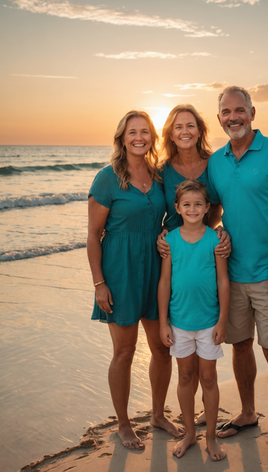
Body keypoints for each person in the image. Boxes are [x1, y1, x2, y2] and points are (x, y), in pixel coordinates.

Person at [208, 86, 268, 462]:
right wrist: (190, 236)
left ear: (252, 112)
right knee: (240, 346)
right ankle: (248, 413)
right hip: (231, 275)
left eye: (239, 110)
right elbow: (214, 211)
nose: (233, 117)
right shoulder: (216, 162)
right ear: (219, 118)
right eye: (226, 112)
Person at [87, 110, 184, 450]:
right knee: (124, 352)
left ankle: (157, 415)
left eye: (145, 131)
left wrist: (168, 235)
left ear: (152, 137)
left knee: (162, 347)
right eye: (132, 132)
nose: (139, 137)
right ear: (122, 138)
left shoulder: (159, 178)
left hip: (155, 270)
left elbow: (177, 216)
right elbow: (93, 235)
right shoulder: (106, 178)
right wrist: (100, 284)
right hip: (120, 272)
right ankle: (124, 425)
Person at [159, 104, 231, 426]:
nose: (185, 131)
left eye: (190, 125)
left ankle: (211, 424)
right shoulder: (163, 170)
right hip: (173, 251)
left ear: (200, 130)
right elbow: (156, 208)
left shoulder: (213, 164)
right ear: (171, 134)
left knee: (208, 372)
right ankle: (186, 424)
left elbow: (225, 201)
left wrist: (219, 231)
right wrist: (162, 234)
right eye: (178, 127)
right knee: (185, 371)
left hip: (206, 245)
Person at [158, 180, 229, 461]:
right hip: (179, 323)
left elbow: (224, 280)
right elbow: (164, 283)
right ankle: (190, 433)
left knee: (209, 377)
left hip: (210, 321)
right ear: (177, 208)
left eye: (198, 203)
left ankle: (210, 436)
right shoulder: (170, 240)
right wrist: (163, 322)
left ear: (207, 207)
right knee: (185, 376)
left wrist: (223, 320)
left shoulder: (215, 239)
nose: (192, 208)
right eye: (186, 204)